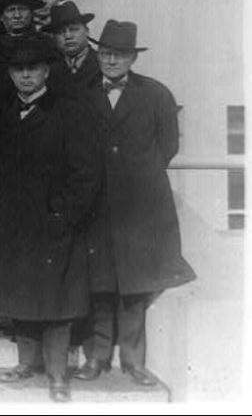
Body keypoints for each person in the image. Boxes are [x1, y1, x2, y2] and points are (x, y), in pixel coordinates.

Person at [73, 20, 196, 387]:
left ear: (132, 58)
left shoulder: (156, 95)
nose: (111, 61)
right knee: (100, 282)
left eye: (120, 55)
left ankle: (133, 360)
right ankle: (96, 358)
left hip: (140, 205)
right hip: (96, 202)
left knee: (135, 283)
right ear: (98, 55)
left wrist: (139, 175)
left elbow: (167, 147)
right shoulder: (80, 94)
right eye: (106, 53)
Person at [0, 36, 100, 403]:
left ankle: (57, 375)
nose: (25, 76)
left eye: (32, 69)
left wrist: (64, 215)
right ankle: (27, 363)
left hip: (54, 224)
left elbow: (86, 174)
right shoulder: (2, 113)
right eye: (18, 70)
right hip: (13, 225)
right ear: (10, 73)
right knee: (21, 293)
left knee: (56, 302)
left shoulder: (68, 111)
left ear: (46, 71)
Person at [44, 1, 99, 96]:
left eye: (74, 29)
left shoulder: (103, 64)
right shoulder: (49, 70)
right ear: (54, 38)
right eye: (61, 32)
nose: (68, 36)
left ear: (87, 32)